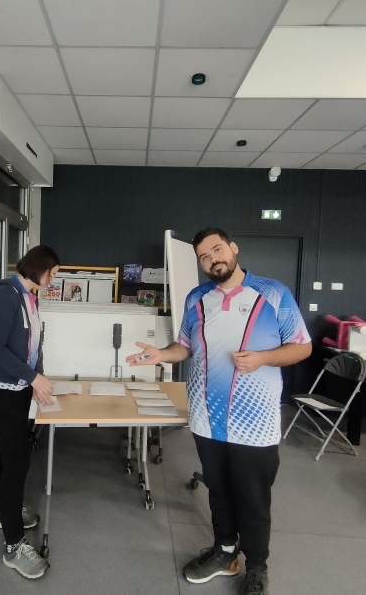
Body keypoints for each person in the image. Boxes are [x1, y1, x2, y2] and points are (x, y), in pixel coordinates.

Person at [127, 228, 311, 595]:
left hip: (255, 421)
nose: (213, 259)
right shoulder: (197, 298)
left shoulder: (273, 293)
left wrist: (263, 358)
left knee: (253, 498)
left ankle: (256, 567)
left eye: (217, 250)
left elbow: (301, 347)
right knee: (219, 491)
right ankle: (225, 553)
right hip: (206, 419)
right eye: (204, 257)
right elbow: (185, 346)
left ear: (233, 248)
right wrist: (162, 354)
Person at [0, 245, 60, 580]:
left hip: (18, 387)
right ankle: (13, 545)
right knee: (17, 459)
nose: (53, 279)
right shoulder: (5, 296)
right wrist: (33, 378)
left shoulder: (30, 298)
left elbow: (33, 346)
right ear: (38, 267)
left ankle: (3, 509)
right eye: (52, 273)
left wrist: (38, 380)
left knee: (8, 449)